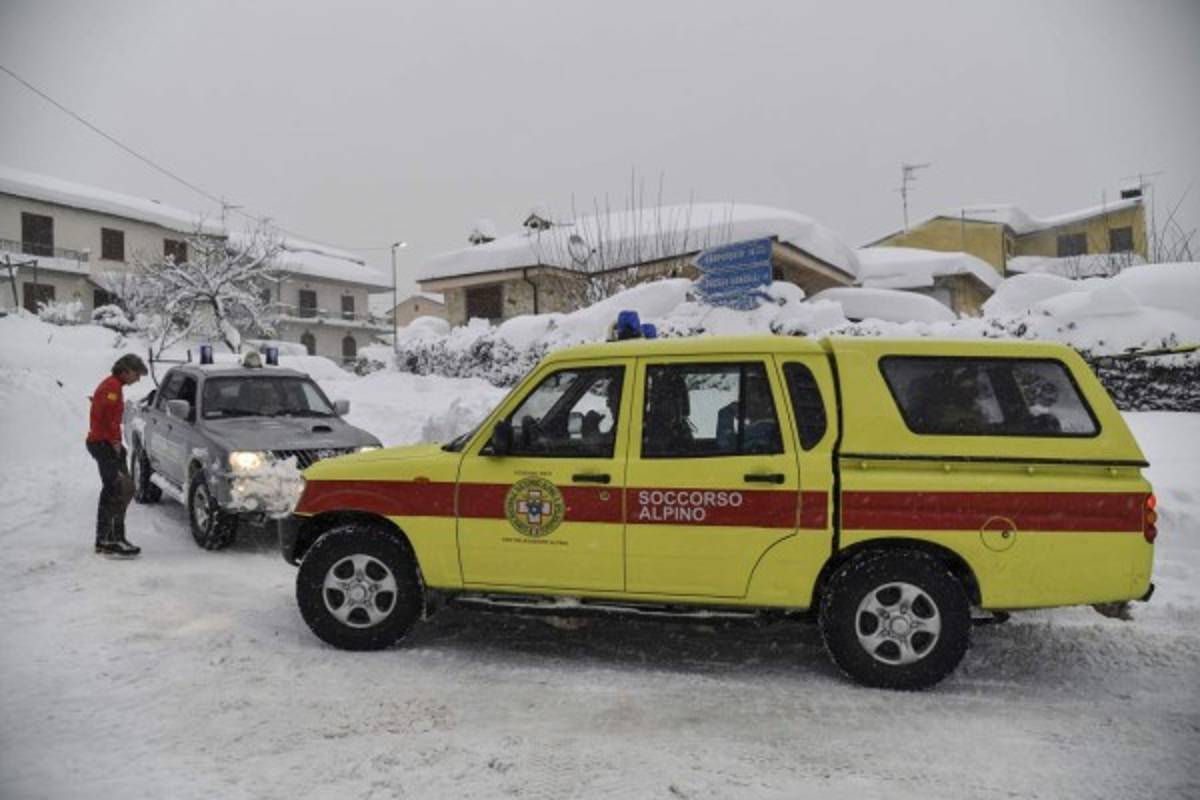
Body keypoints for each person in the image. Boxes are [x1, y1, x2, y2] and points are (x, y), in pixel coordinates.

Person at [86, 354, 148, 557]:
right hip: (103, 444)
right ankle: (107, 540)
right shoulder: (111, 388)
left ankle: (115, 537)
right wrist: (114, 442)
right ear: (126, 371)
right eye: (137, 374)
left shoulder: (113, 386)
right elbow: (109, 419)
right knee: (115, 490)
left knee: (124, 488)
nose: (138, 379)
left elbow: (105, 413)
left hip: (107, 443)